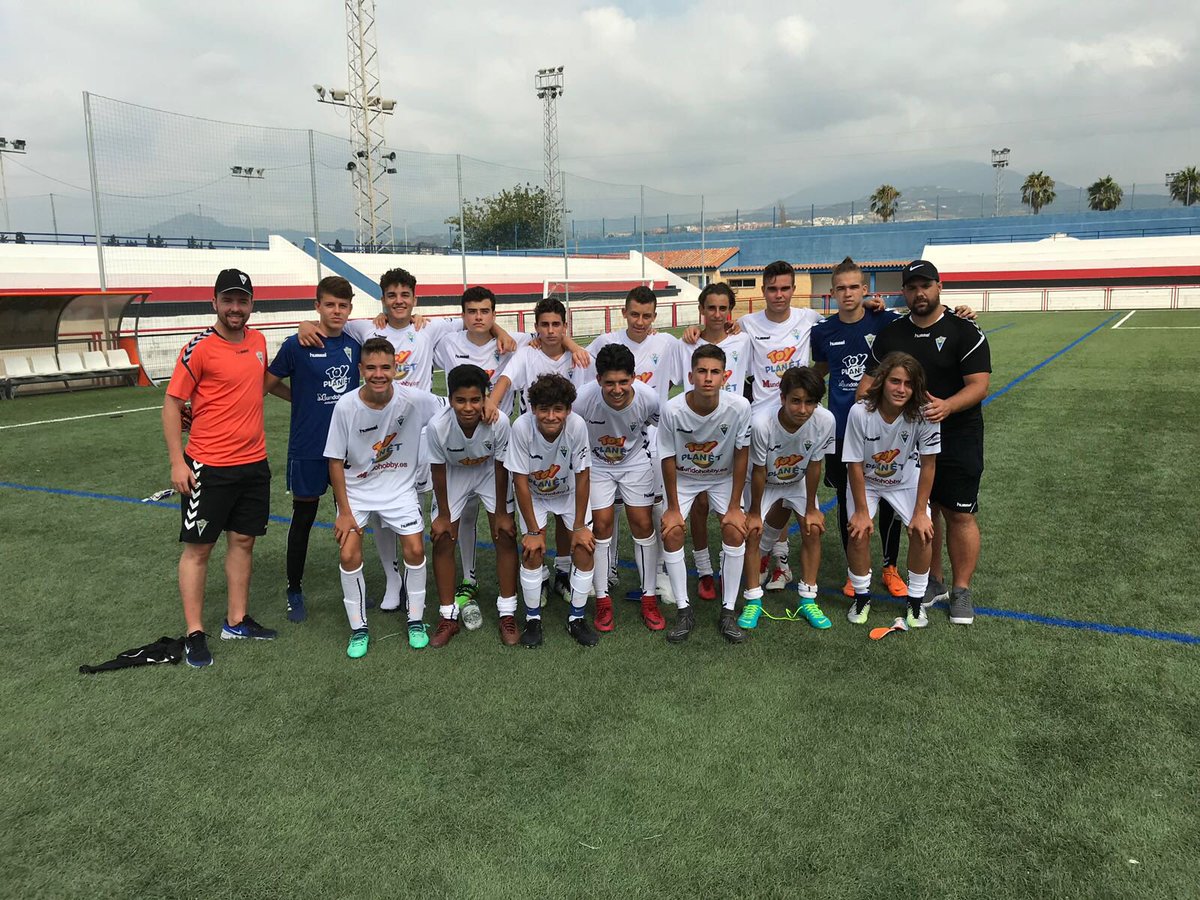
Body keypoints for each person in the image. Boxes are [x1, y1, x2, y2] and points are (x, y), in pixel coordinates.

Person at [813, 257, 976, 603]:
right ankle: (853, 572)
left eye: (854, 287)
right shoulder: (823, 330)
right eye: (840, 288)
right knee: (851, 504)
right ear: (832, 293)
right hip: (846, 430)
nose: (847, 294)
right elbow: (820, 369)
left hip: (899, 432)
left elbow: (925, 319)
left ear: (866, 290)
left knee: (892, 499)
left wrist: (958, 313)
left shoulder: (885, 320)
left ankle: (890, 566)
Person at [860, 260, 991, 625]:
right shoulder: (892, 333)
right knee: (926, 510)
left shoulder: (964, 330)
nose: (919, 293)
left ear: (939, 286)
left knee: (960, 512)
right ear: (903, 292)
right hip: (907, 442)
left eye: (925, 286)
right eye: (912, 287)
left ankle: (961, 590)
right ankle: (934, 581)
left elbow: (979, 384)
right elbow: (869, 383)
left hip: (958, 434)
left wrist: (946, 407)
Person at [162, 268, 276, 668]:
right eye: (228, 300)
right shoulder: (199, 348)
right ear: (214, 303)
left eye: (242, 301)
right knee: (199, 549)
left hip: (254, 464)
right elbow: (173, 404)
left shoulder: (259, 340)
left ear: (251, 305)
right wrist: (178, 462)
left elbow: (264, 381)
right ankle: (195, 632)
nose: (235, 308)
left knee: (243, 542)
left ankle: (236, 620)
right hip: (207, 467)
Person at [324, 338, 445, 658]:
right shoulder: (346, 406)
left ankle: (416, 621)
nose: (379, 374)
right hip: (356, 494)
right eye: (372, 368)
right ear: (361, 369)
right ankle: (358, 628)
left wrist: (486, 407)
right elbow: (334, 460)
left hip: (399, 491)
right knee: (349, 555)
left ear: (396, 369)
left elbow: (451, 406)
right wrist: (344, 512)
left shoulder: (415, 399)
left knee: (416, 548)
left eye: (386, 367)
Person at [432, 286, 532, 624]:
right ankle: (451, 608)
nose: (478, 317)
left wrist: (500, 331)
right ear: (462, 314)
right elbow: (412, 330)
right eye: (472, 311)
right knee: (447, 530)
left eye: (486, 312)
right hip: (456, 457)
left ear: (494, 314)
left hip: (492, 453)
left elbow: (548, 335)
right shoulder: (447, 341)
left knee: (504, 530)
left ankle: (507, 610)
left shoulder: (511, 342)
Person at [264, 276, 360, 624]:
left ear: (350, 309)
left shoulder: (354, 346)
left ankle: (354, 585)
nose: (336, 311)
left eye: (343, 305)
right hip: (307, 447)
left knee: (348, 518)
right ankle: (294, 588)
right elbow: (266, 384)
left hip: (346, 451)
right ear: (317, 305)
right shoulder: (297, 344)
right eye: (330, 304)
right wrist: (297, 398)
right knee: (303, 518)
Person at [488, 297, 591, 602]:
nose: (550, 330)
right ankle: (540, 577)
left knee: (563, 513)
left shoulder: (580, 358)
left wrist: (573, 347)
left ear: (564, 327)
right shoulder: (527, 355)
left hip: (568, 439)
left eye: (556, 324)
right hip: (533, 442)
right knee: (536, 517)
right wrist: (492, 404)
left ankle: (561, 572)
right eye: (544, 325)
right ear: (535, 328)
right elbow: (505, 380)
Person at [584, 285, 680, 605]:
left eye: (647, 315)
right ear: (624, 312)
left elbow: (698, 358)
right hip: (606, 437)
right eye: (634, 314)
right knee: (604, 513)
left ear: (655, 317)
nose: (640, 321)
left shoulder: (667, 343)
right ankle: (606, 572)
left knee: (652, 512)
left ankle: (660, 573)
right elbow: (582, 368)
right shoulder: (604, 343)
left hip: (647, 438)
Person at [658, 344, 753, 644]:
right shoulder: (672, 409)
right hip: (684, 480)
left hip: (721, 478)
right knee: (672, 530)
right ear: (691, 375)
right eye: (702, 371)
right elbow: (667, 457)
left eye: (714, 372)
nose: (708, 378)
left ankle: (728, 612)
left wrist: (736, 505)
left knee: (735, 529)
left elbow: (741, 454)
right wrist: (673, 507)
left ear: (725, 376)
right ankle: (684, 612)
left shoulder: (739, 407)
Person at [843, 352, 940, 628]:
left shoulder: (925, 412)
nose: (901, 389)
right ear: (882, 381)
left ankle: (916, 602)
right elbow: (854, 463)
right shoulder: (860, 412)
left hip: (907, 480)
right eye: (895, 381)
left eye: (908, 384)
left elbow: (929, 465)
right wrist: (862, 511)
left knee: (923, 531)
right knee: (858, 530)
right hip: (868, 480)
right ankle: (861, 597)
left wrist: (921, 512)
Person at [669, 282, 752, 602]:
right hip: (696, 439)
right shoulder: (686, 343)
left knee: (735, 510)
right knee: (700, 505)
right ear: (701, 310)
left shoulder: (743, 340)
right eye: (710, 308)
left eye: (723, 309)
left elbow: (772, 326)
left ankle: (730, 567)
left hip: (731, 437)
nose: (717, 314)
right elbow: (673, 384)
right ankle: (704, 570)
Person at [426, 364, 518, 647]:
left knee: (505, 535)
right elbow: (437, 469)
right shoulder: (437, 426)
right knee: (442, 538)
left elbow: (502, 465)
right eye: (460, 400)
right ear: (450, 398)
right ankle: (447, 616)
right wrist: (442, 514)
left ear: (485, 397)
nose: (468, 407)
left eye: (475, 400)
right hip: (454, 474)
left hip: (489, 472)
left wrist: (502, 512)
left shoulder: (499, 421)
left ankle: (507, 612)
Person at [573, 344, 663, 632]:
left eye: (623, 381)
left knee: (642, 523)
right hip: (597, 465)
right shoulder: (583, 401)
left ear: (634, 378)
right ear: (598, 379)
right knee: (601, 526)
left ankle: (649, 598)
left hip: (635, 462)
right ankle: (602, 601)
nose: (617, 389)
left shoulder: (648, 399)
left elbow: (666, 430)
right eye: (609, 382)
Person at [505, 373, 599, 648]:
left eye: (558, 409)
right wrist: (533, 531)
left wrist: (580, 527)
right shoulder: (521, 427)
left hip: (569, 493)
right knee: (532, 552)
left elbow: (583, 475)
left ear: (568, 410)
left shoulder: (577, 426)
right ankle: (533, 620)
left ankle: (577, 619)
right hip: (534, 495)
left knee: (584, 549)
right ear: (533, 408)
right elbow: (520, 481)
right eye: (543, 409)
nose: (551, 416)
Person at [739, 366, 836, 630]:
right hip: (765, 482)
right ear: (782, 398)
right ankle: (752, 601)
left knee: (813, 528)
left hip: (798, 481)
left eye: (810, 402)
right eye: (796, 401)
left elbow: (815, 464)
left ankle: (808, 598)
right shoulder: (761, 423)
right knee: (753, 532)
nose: (802, 409)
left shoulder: (825, 420)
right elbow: (758, 471)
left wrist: (811, 508)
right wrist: (755, 513)